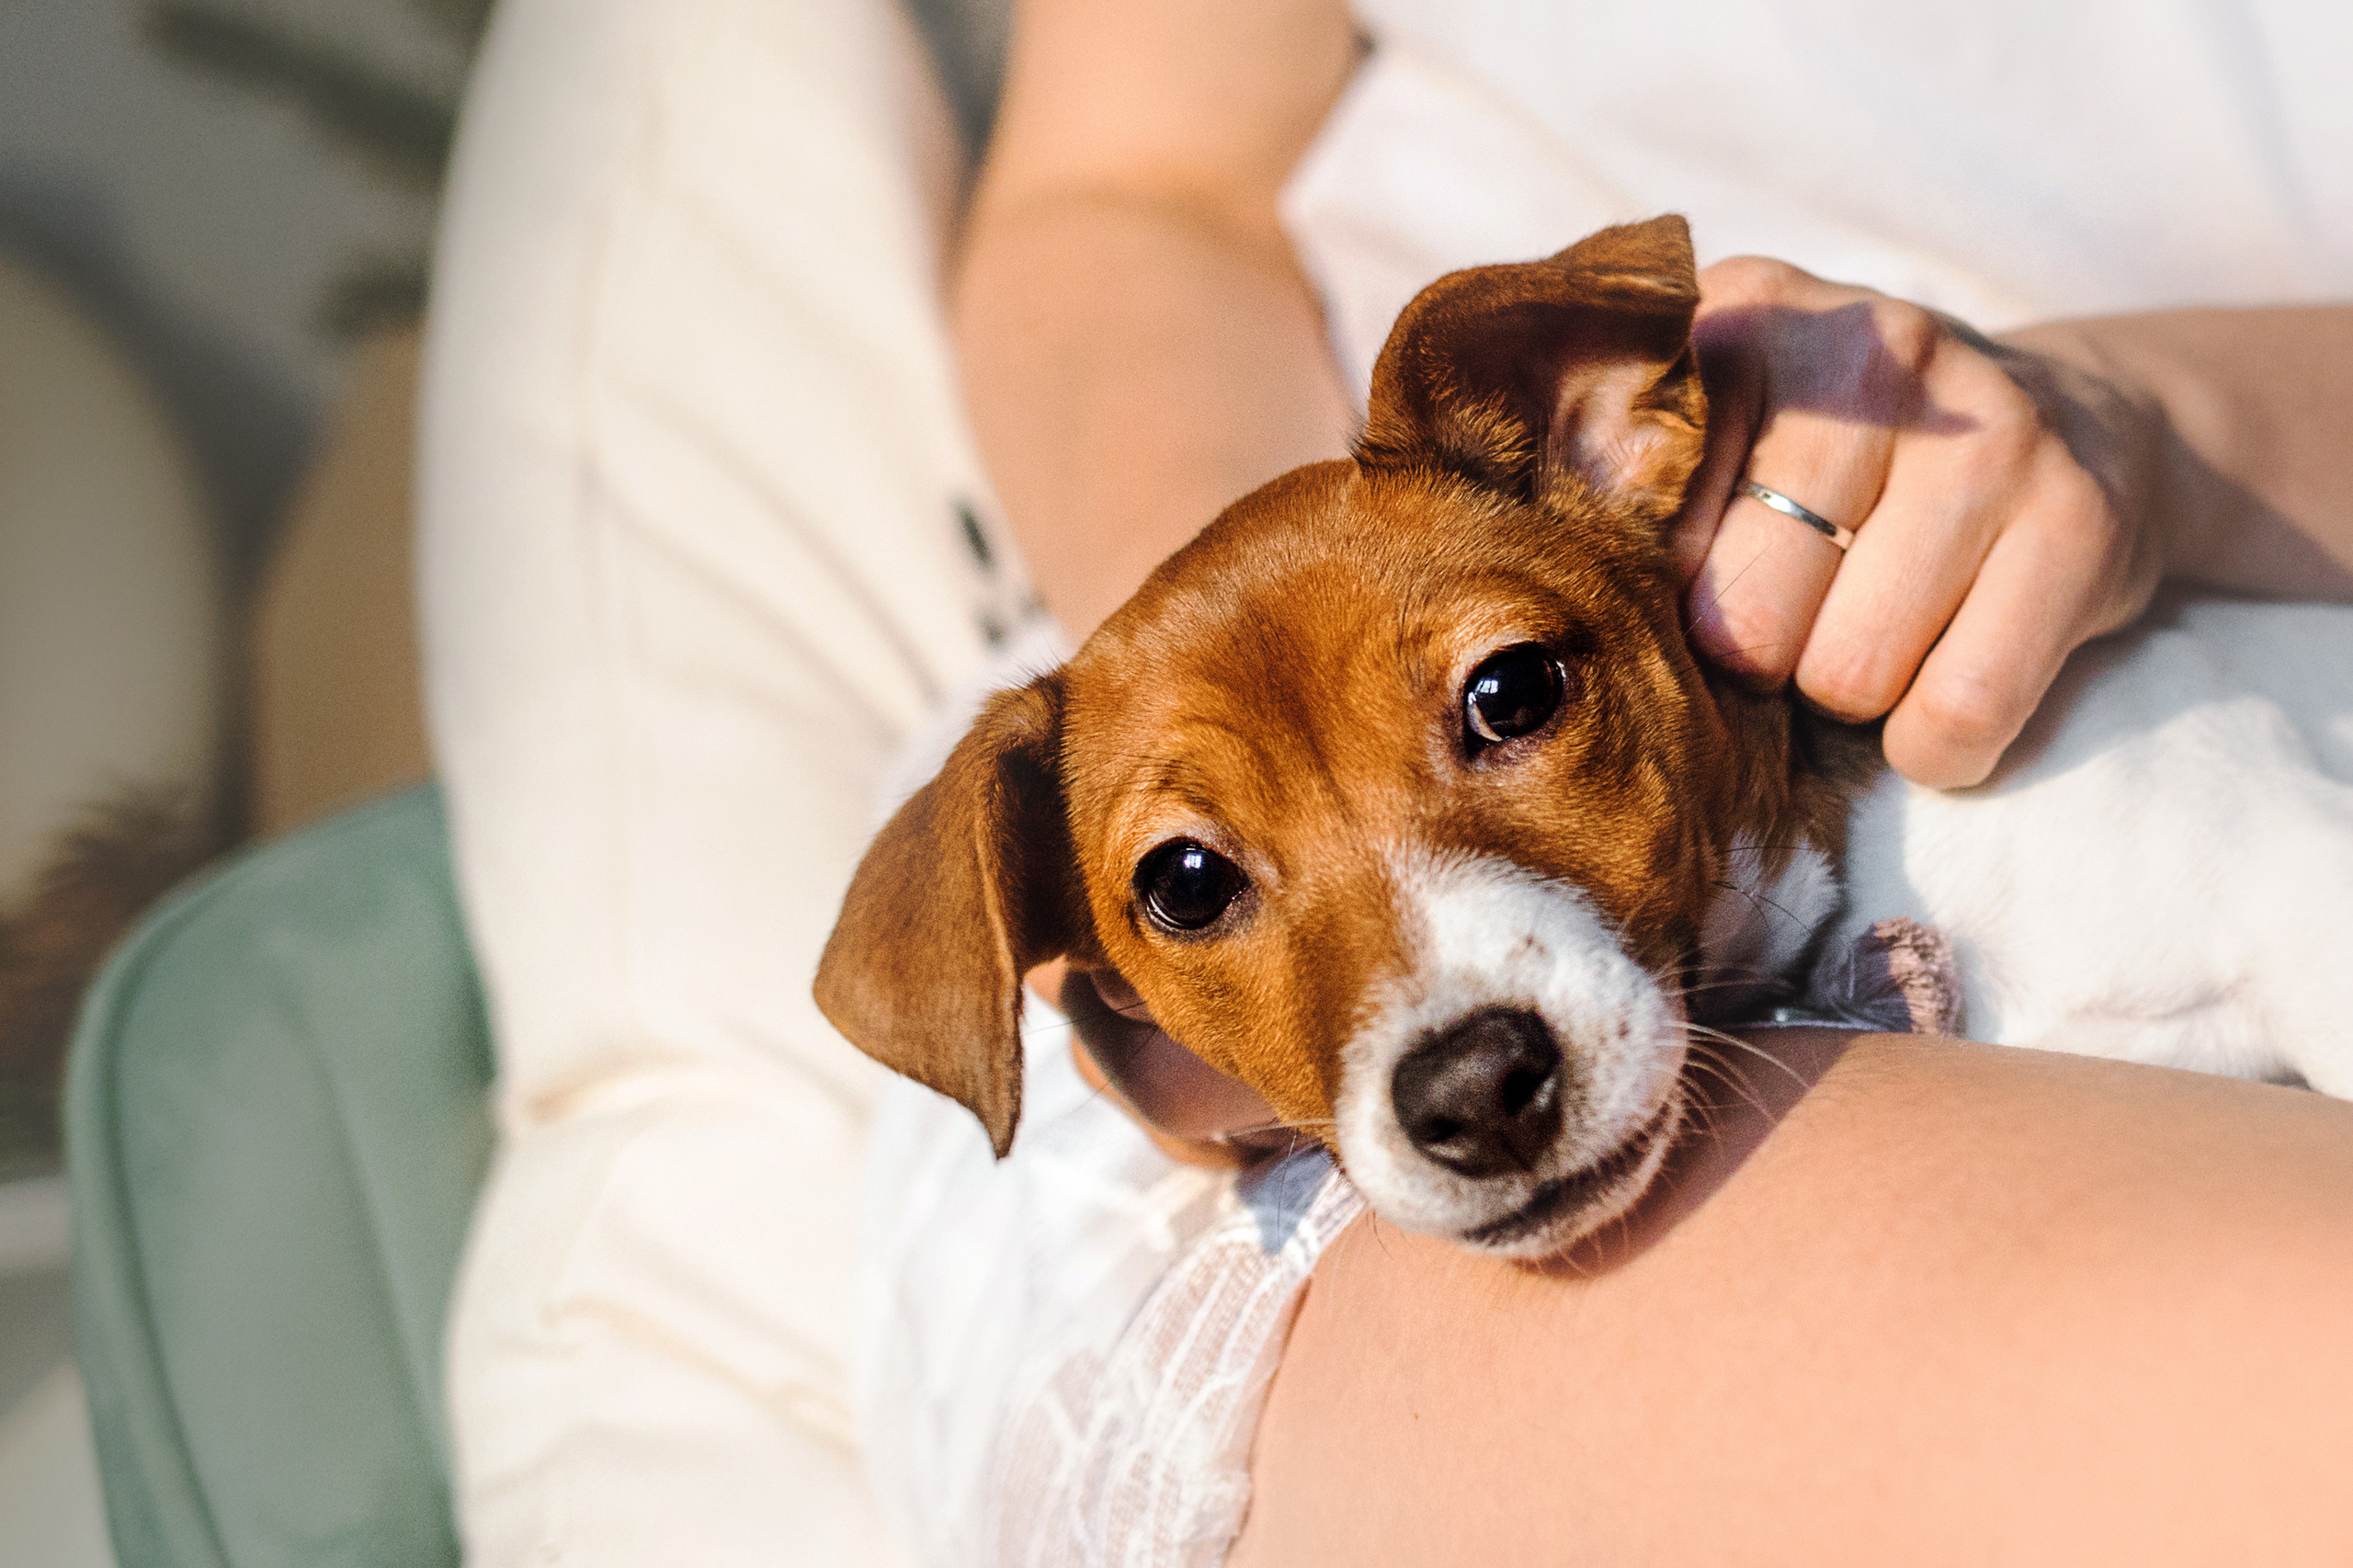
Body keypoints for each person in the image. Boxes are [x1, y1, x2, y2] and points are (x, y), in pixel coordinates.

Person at [419, 0, 2353, 1562]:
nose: (1453, 1029)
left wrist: (2160, 425)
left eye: (1500, 706)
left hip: (1969, 675)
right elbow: (1120, 199)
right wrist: (1249, 651)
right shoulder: (1149, 828)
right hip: (1279, 742)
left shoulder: (2142, 803)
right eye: (1194, 890)